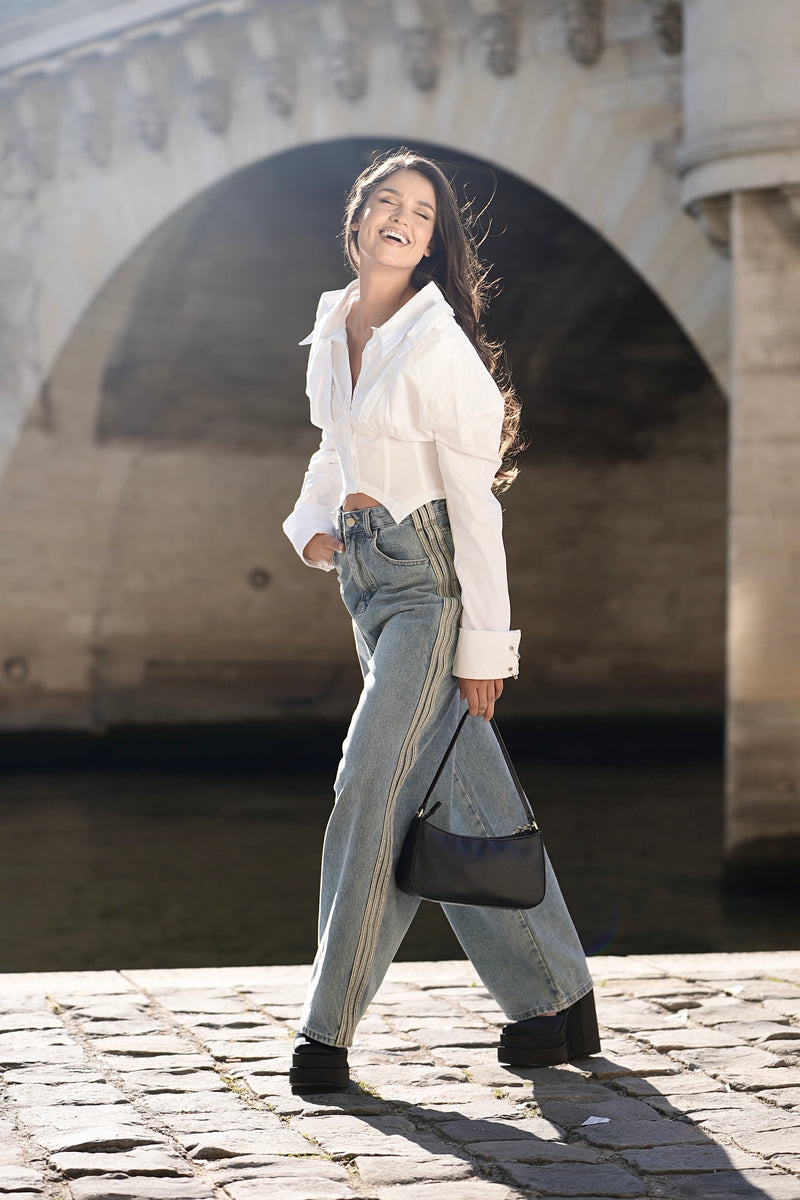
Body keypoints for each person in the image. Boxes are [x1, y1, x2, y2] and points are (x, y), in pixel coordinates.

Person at [282, 148, 599, 1094]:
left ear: (431, 244)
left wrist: (485, 646)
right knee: (464, 798)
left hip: (430, 589)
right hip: (366, 584)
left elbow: (476, 509)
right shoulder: (334, 322)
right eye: (388, 202)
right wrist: (313, 527)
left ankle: (326, 1032)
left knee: (370, 786)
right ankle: (557, 999)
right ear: (358, 219)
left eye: (421, 213)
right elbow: (332, 447)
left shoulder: (440, 348)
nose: (402, 218)